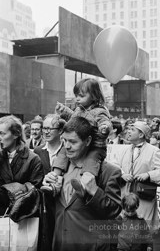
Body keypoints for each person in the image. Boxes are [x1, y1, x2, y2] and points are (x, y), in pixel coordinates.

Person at [42, 116, 122, 251]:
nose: (67, 146)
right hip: (60, 244)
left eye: (73, 142)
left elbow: (114, 210)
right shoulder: (59, 168)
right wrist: (48, 186)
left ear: (88, 141)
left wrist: (95, 191)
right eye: (64, 140)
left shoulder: (108, 171)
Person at [44, 78, 112, 196]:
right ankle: (54, 180)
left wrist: (104, 127)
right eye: (76, 96)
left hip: (95, 147)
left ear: (94, 96)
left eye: (81, 96)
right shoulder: (78, 109)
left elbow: (105, 122)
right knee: (62, 153)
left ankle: (84, 184)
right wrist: (63, 112)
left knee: (91, 163)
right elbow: (73, 119)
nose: (77, 99)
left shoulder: (100, 111)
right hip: (79, 144)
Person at [113, 121, 160, 229]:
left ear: (141, 135)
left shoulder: (154, 151)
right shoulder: (123, 149)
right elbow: (114, 165)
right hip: (124, 196)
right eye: (128, 129)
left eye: (132, 130)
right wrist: (122, 174)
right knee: (123, 228)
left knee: (143, 229)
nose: (128, 132)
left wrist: (148, 174)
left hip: (144, 198)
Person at [34, 114, 66, 251]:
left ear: (60, 131)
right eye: (44, 128)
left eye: (50, 128)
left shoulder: (67, 150)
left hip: (63, 203)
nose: (46, 131)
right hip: (43, 204)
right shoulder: (37, 151)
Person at [0, 115, 43, 216]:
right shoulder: (1, 156)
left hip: (22, 217)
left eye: (2, 134)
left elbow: (35, 193)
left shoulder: (32, 159)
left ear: (16, 134)